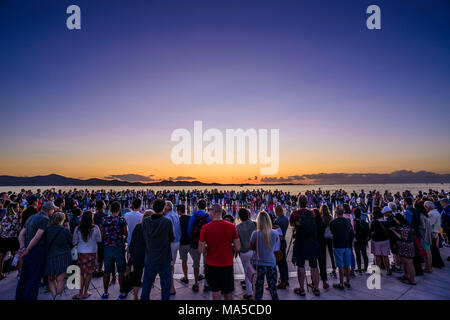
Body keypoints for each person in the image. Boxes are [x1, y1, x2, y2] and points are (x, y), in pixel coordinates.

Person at [198, 203, 240, 300]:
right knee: (228, 293)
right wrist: (229, 245)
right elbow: (238, 247)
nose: (208, 213)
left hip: (211, 265)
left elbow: (200, 250)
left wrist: (207, 245)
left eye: (209, 211)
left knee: (216, 293)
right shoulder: (231, 227)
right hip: (227, 265)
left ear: (214, 212)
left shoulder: (205, 228)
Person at [15, 201, 56, 300]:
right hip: (37, 251)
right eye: (53, 209)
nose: (53, 211)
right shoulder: (45, 219)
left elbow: (21, 234)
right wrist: (27, 249)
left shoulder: (31, 217)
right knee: (34, 279)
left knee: (24, 277)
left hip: (27, 251)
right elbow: (37, 237)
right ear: (49, 210)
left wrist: (22, 248)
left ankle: (19, 297)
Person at [141, 199, 174, 300]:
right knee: (165, 287)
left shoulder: (146, 221)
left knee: (146, 285)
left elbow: (144, 236)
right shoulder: (167, 222)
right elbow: (172, 238)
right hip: (164, 258)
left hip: (150, 257)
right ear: (163, 208)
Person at [289, 195, 321, 296]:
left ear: (298, 202)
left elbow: (293, 225)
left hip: (300, 241)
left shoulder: (295, 214)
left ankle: (302, 289)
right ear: (307, 202)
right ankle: (316, 288)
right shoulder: (312, 213)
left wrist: (297, 226)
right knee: (314, 265)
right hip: (311, 241)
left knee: (301, 265)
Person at [100, 201, 128, 300]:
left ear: (110, 209)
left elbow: (102, 235)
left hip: (108, 247)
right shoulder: (122, 220)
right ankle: (121, 292)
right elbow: (126, 233)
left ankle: (105, 293)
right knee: (121, 271)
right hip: (119, 247)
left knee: (106, 271)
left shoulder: (104, 220)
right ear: (119, 209)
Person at [250, 211, 279, 300]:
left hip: (259, 263)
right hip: (271, 263)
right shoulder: (275, 233)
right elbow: (276, 248)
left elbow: (251, 247)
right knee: (273, 288)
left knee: (259, 289)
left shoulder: (255, 233)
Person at [73, 210, 102, 299]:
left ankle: (80, 293)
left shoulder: (77, 228)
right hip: (92, 253)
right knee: (89, 273)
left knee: (81, 273)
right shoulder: (95, 228)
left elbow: (74, 241)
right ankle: (86, 292)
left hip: (81, 253)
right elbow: (99, 240)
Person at [44, 212, 73, 300]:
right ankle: (58, 297)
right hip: (63, 256)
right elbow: (71, 242)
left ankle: (55, 297)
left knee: (51, 279)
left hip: (51, 256)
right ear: (62, 220)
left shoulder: (46, 230)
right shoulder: (65, 230)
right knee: (61, 279)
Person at [177, 204, 202, 292]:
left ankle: (186, 277)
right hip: (191, 243)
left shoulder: (178, 219)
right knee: (196, 262)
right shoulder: (190, 218)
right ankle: (196, 282)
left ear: (179, 211)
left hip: (182, 243)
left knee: (184, 261)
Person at [187, 199, 211, 291]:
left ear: (197, 205)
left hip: (196, 243)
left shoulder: (193, 216)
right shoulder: (208, 216)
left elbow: (189, 231)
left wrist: (193, 240)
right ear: (205, 206)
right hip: (205, 244)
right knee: (206, 264)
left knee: (196, 264)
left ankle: (196, 283)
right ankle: (206, 283)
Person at [128, 210, 152, 300]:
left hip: (138, 255)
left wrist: (130, 254)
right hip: (149, 255)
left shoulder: (138, 227)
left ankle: (135, 296)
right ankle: (147, 296)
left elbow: (132, 242)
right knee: (148, 277)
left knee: (137, 277)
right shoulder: (152, 228)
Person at [329, 205, 353, 290]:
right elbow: (350, 231)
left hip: (338, 245)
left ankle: (341, 283)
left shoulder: (333, 222)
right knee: (347, 265)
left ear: (335, 212)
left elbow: (331, 233)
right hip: (347, 245)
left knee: (340, 265)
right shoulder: (347, 221)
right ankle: (348, 282)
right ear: (343, 212)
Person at [390, 214, 416, 285]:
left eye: (396, 220)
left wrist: (394, 232)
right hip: (403, 247)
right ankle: (406, 275)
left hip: (407, 247)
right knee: (404, 263)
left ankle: (412, 279)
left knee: (409, 263)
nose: (396, 222)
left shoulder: (405, 227)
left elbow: (404, 238)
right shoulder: (404, 226)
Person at [236, 208, 256, 300]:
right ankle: (254, 290)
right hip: (253, 250)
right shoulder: (254, 224)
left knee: (247, 272)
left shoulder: (238, 227)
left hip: (244, 252)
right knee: (254, 270)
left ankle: (249, 293)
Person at [163, 200, 181, 296]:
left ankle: (171, 287)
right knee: (171, 264)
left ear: (167, 208)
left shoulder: (167, 217)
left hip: (171, 243)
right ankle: (170, 283)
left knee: (169, 265)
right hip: (177, 242)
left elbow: (171, 233)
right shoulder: (175, 215)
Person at [0, 202, 21, 280]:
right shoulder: (15, 217)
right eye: (17, 207)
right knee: (16, 256)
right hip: (12, 239)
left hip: (3, 238)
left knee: (1, 257)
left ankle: (0, 274)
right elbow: (18, 228)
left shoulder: (5, 217)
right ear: (14, 208)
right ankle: (19, 272)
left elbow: (1, 228)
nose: (18, 208)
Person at [403, 197, 424, 275]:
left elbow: (408, 223)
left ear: (405, 202)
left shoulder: (408, 211)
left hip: (411, 232)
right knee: (417, 248)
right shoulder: (416, 210)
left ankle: (414, 270)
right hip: (417, 230)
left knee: (412, 250)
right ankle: (419, 265)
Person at [370, 206, 392, 275]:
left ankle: (378, 271)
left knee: (377, 256)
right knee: (385, 256)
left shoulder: (374, 222)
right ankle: (388, 270)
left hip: (376, 241)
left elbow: (372, 232)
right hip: (385, 240)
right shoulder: (386, 221)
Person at [424, 201, 444, 268]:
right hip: (435, 232)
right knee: (435, 249)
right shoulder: (436, 212)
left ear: (428, 207)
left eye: (425, 207)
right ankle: (439, 262)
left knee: (433, 250)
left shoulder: (432, 213)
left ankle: (436, 263)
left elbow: (429, 224)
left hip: (432, 233)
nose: (425, 208)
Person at [273, 204, 289, 289]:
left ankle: (282, 281)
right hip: (283, 241)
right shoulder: (286, 219)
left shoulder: (277, 221)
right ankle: (285, 279)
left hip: (278, 243)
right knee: (284, 262)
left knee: (279, 263)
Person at [313, 208, 329, 289]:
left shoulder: (312, 224)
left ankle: (314, 282)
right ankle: (324, 282)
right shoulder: (322, 224)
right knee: (322, 264)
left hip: (315, 245)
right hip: (322, 245)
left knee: (314, 265)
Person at [415, 201, 433, 273]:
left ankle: (429, 268)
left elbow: (423, 226)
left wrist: (416, 226)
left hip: (424, 236)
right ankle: (428, 267)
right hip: (427, 235)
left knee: (427, 253)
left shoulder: (421, 216)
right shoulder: (425, 215)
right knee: (428, 252)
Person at [320, 204, 336, 277]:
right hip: (330, 236)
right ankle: (334, 268)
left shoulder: (321, 218)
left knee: (324, 254)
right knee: (331, 253)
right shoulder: (330, 217)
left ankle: (324, 269)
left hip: (323, 236)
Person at [353, 207, 370, 273]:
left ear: (354, 214)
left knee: (358, 254)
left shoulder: (354, 222)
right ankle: (366, 267)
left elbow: (353, 231)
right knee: (364, 253)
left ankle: (359, 268)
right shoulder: (364, 222)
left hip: (357, 239)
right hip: (363, 240)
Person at [93, 200, 107, 277]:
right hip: (103, 236)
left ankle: (95, 269)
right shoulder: (105, 216)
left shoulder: (94, 215)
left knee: (96, 253)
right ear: (102, 206)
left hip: (95, 236)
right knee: (101, 254)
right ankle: (100, 269)